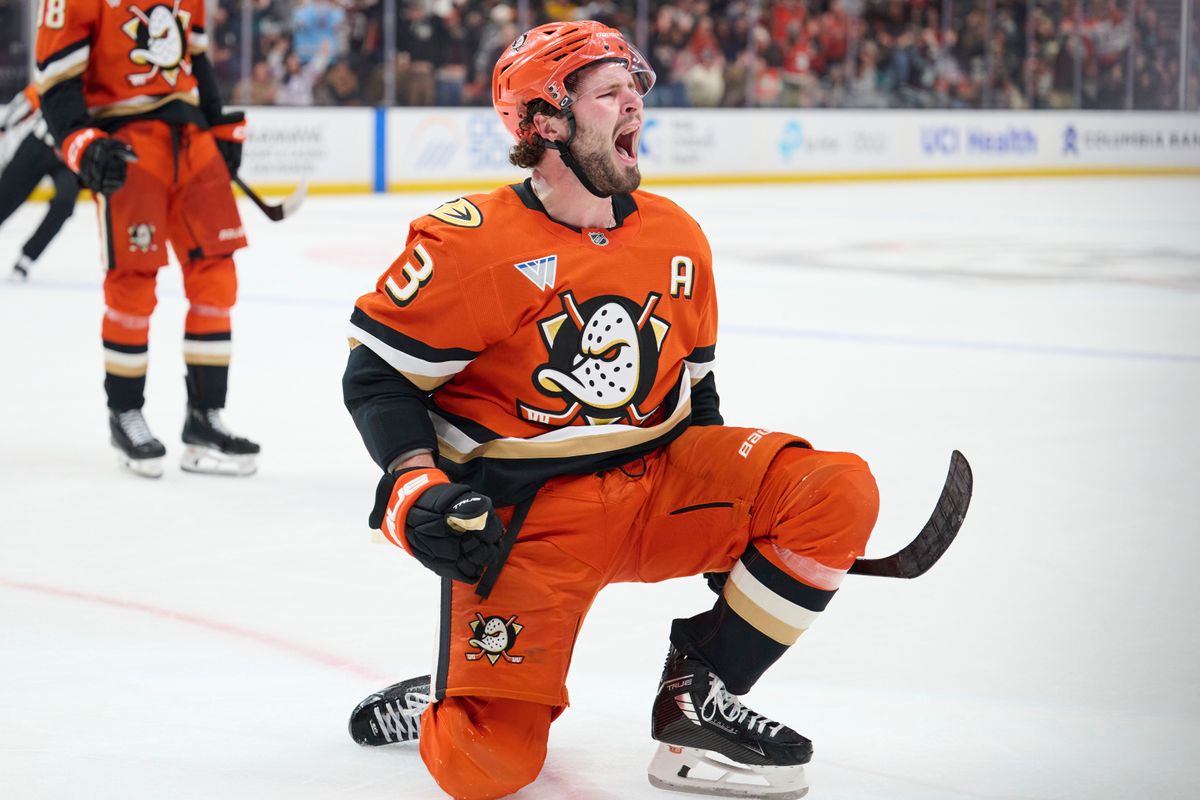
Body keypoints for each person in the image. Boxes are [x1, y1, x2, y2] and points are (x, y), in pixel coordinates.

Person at [342, 21, 880, 800]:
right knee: (484, 768)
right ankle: (452, 686)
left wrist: (753, 537)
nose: (635, 106)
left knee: (835, 490)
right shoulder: (473, 245)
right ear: (545, 123)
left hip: (656, 480)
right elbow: (378, 378)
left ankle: (699, 695)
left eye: (635, 91)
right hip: (529, 519)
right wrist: (412, 489)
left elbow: (697, 400)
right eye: (609, 93)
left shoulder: (675, 235)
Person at [35, 0, 260, 478]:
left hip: (193, 141)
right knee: (133, 283)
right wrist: (81, 141)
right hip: (130, 144)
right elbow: (56, 79)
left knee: (217, 280)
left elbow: (194, 58)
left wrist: (218, 123)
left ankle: (205, 418)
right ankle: (125, 413)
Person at [0, 84, 79, 281]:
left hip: (71, 158)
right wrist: (4, 125)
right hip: (38, 146)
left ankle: (26, 258)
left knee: (64, 203)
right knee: (4, 201)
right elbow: (29, 97)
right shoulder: (70, 68)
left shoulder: (108, 85)